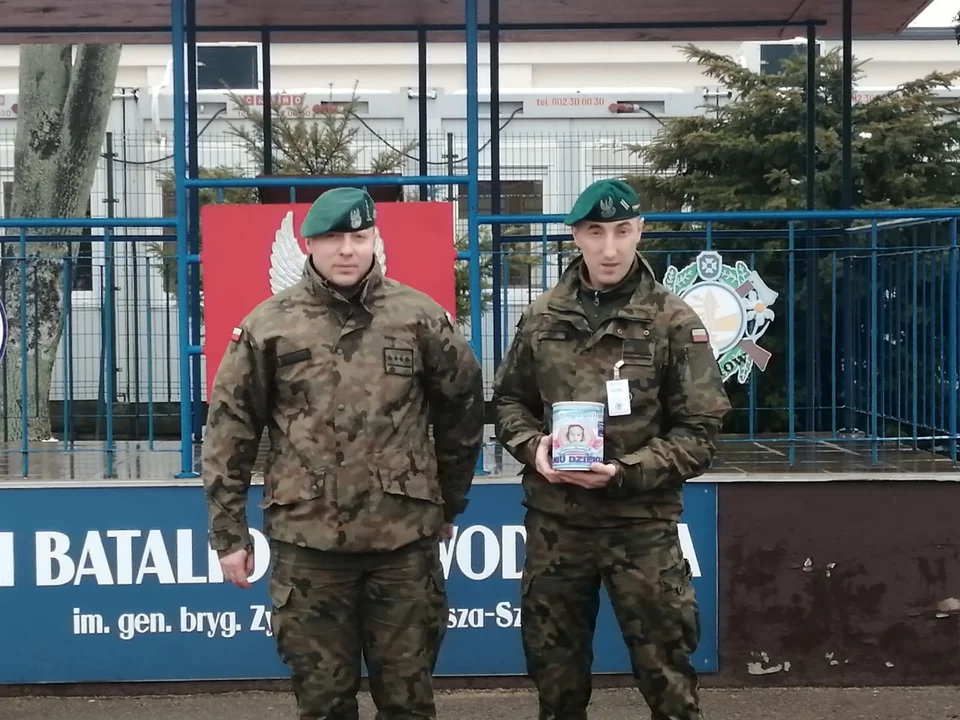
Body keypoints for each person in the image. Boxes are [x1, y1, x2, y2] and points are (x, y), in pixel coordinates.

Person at [201, 187, 485, 720]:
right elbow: (229, 432)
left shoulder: (420, 317)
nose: (348, 250)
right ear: (309, 244)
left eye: (359, 236)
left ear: (376, 238)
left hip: (403, 545)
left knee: (408, 702)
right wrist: (228, 534)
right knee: (323, 704)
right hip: (308, 547)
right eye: (333, 238)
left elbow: (463, 411)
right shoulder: (268, 324)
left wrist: (449, 503)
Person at [492, 178, 731, 720]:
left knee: (668, 678)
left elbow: (700, 431)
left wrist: (624, 471)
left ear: (639, 231)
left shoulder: (672, 320)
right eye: (596, 233)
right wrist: (533, 448)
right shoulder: (543, 316)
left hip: (641, 526)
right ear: (577, 236)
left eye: (622, 231)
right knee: (555, 680)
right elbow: (509, 402)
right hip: (558, 525)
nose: (609, 248)